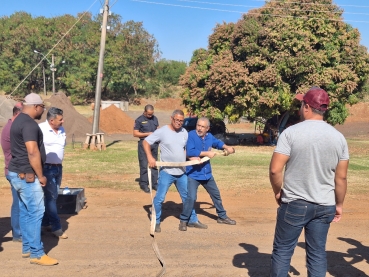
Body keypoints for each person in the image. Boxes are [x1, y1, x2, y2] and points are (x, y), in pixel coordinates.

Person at [269, 87, 349, 277]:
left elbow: (275, 170)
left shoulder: (291, 133)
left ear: (306, 106)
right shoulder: (339, 138)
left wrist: (278, 191)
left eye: (301, 104)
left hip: (295, 202)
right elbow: (341, 177)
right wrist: (339, 204)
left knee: (282, 252)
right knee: (317, 254)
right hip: (325, 205)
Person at [7, 93, 58, 266]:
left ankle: (27, 247)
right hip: (28, 175)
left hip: (16, 172)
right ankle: (37, 253)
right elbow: (32, 151)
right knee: (36, 212)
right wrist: (41, 175)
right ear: (36, 106)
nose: (43, 110)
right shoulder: (29, 124)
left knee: (27, 211)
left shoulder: (18, 120)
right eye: (43, 107)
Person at [143, 109, 206, 233]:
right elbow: (145, 142)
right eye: (177, 120)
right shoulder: (162, 131)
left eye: (181, 121)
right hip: (166, 172)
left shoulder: (184, 132)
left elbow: (184, 150)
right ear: (172, 118)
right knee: (160, 198)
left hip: (182, 172)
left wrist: (193, 158)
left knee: (188, 198)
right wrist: (150, 157)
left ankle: (192, 220)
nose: (179, 123)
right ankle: (156, 221)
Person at [179, 117, 236, 231]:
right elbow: (190, 151)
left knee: (216, 195)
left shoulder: (209, 137)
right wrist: (206, 153)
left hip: (206, 174)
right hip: (193, 174)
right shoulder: (191, 135)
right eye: (198, 125)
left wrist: (227, 147)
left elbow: (218, 143)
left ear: (207, 128)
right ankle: (184, 220)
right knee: (191, 198)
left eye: (202, 127)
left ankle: (222, 217)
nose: (199, 128)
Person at [39, 107, 67, 239]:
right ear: (51, 120)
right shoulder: (41, 129)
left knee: (52, 197)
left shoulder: (61, 129)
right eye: (60, 119)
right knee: (51, 198)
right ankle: (56, 227)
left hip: (58, 168)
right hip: (47, 168)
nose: (63, 121)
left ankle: (44, 223)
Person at [1, 102, 23, 242]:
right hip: (15, 171)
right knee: (19, 203)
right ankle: (18, 233)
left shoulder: (11, 126)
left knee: (20, 202)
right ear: (17, 114)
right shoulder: (12, 129)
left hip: (14, 170)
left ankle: (19, 232)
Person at [133, 104, 159, 193]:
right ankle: (144, 184)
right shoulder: (139, 120)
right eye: (149, 114)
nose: (150, 116)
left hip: (154, 145)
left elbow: (158, 129)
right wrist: (147, 134)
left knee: (154, 164)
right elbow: (135, 133)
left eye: (152, 114)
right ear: (145, 112)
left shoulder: (155, 119)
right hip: (144, 144)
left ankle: (155, 183)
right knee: (144, 164)